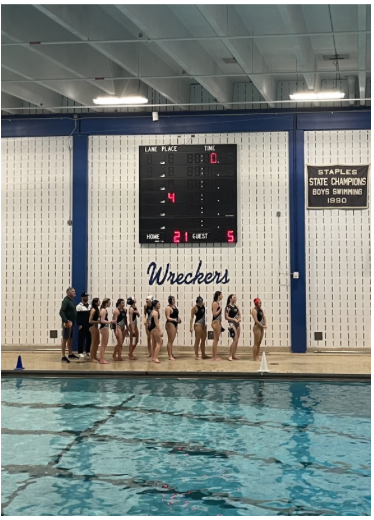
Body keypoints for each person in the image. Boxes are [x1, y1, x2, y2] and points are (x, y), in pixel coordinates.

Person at [59, 287, 78, 363]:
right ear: (68, 293)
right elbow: (61, 312)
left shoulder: (71, 300)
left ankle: (70, 353)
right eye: (73, 291)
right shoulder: (66, 301)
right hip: (67, 323)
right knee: (65, 339)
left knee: (70, 338)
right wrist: (66, 320)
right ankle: (63, 356)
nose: (74, 292)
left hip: (71, 323)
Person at [225, 294, 242, 361]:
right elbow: (226, 317)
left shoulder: (236, 306)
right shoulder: (227, 307)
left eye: (236, 297)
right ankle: (230, 355)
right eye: (234, 297)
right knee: (235, 340)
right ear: (230, 299)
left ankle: (234, 354)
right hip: (231, 324)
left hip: (237, 323)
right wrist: (233, 319)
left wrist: (239, 319)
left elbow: (239, 314)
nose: (235, 298)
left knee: (237, 340)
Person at [76, 292, 91, 360]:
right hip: (82, 325)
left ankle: (88, 351)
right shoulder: (79, 306)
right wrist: (79, 324)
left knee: (89, 338)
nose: (86, 298)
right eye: (85, 297)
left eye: (87, 297)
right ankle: (80, 352)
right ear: (82, 298)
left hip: (89, 325)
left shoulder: (90, 306)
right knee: (81, 339)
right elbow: (77, 317)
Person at [99, 298, 115, 364]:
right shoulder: (103, 310)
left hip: (104, 327)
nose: (110, 303)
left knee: (104, 344)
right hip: (104, 327)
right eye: (109, 302)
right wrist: (110, 322)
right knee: (103, 344)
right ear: (106, 303)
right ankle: (102, 359)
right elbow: (102, 321)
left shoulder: (104, 310)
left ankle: (102, 358)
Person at [165, 295, 181, 361]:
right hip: (170, 323)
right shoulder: (168, 308)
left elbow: (176, 315)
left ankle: (171, 354)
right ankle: (169, 356)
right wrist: (174, 320)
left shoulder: (174, 307)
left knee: (172, 340)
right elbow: (167, 317)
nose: (174, 301)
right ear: (170, 300)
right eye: (173, 300)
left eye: (174, 299)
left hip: (175, 323)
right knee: (170, 340)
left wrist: (179, 319)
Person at [211, 291, 223, 361]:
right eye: (221, 295)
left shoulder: (217, 303)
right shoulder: (215, 303)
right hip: (215, 322)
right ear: (218, 295)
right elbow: (214, 314)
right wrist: (220, 309)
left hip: (218, 322)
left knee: (217, 339)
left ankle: (215, 355)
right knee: (215, 340)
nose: (222, 296)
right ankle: (214, 357)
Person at [89, 298, 101, 363]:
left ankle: (95, 356)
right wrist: (98, 321)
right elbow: (90, 320)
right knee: (93, 343)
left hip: (96, 326)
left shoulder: (97, 309)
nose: (100, 302)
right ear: (95, 302)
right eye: (98, 301)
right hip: (92, 327)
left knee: (97, 342)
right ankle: (92, 358)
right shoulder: (93, 310)